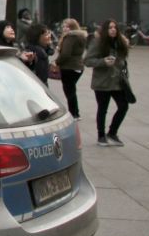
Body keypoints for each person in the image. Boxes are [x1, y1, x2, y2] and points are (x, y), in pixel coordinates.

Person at [84, 19, 131, 147]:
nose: (113, 29)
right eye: (110, 27)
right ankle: (101, 136)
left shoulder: (120, 42)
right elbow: (87, 61)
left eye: (115, 27)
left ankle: (112, 133)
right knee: (103, 109)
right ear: (105, 30)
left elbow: (122, 61)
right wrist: (103, 62)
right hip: (102, 82)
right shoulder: (98, 43)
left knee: (123, 106)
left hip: (117, 82)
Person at [54, 18, 88, 118]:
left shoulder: (70, 37)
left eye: (67, 26)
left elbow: (65, 54)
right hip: (78, 66)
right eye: (63, 26)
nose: (64, 28)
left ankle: (74, 113)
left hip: (69, 67)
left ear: (72, 28)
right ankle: (75, 112)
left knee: (69, 90)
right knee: (71, 90)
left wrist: (57, 62)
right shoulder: (80, 36)